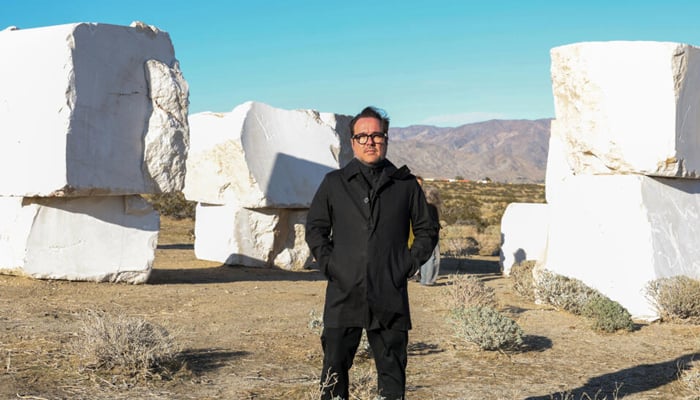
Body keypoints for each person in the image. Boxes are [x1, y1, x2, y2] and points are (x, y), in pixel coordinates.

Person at [306, 106, 439, 400]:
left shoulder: (405, 186)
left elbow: (427, 230)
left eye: (376, 135)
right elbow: (315, 229)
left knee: (392, 376)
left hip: (389, 295)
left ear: (386, 139)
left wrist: (405, 265)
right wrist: (332, 265)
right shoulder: (335, 183)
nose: (370, 141)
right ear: (352, 141)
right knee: (333, 374)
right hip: (344, 295)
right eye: (362, 136)